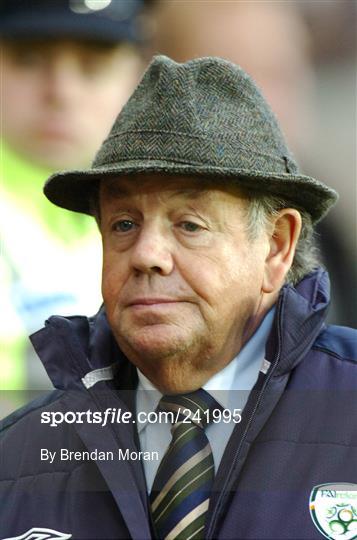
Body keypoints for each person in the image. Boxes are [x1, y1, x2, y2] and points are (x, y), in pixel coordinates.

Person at [1, 56, 356, 540]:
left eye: (189, 225)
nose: (147, 255)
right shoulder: (16, 457)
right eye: (123, 224)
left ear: (276, 246)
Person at [0, 0, 145, 396]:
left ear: (136, 75)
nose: (60, 91)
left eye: (92, 66)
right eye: (28, 58)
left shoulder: (168, 208)